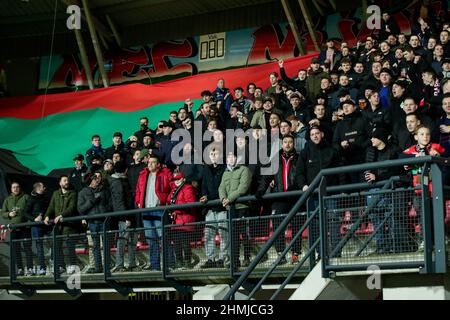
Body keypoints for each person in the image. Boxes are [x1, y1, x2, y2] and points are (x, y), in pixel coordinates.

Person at [296, 126, 343, 259]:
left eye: (317, 133)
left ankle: (336, 252)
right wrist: (304, 185)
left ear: (322, 134)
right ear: (309, 137)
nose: (315, 136)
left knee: (333, 222)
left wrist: (342, 190)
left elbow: (340, 172)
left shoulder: (331, 151)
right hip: (313, 196)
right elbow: (299, 172)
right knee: (315, 224)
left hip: (330, 194)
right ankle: (320, 253)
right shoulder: (305, 153)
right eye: (312, 134)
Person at [256, 135, 301, 264]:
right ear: (282, 144)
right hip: (279, 197)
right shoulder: (275, 159)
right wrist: (260, 191)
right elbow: (266, 178)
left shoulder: (298, 158)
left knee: (297, 226)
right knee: (277, 225)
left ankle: (295, 254)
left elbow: (300, 176)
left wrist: (295, 188)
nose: (287, 144)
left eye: (290, 142)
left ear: (294, 144)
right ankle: (281, 253)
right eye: (285, 142)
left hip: (294, 198)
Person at [135, 155, 172, 271]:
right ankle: (154, 264)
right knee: (151, 239)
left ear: (158, 164)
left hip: (159, 209)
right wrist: (138, 202)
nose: (150, 164)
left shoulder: (165, 174)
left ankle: (169, 263)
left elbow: (172, 188)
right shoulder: (142, 175)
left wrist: (166, 202)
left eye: (153, 162)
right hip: (146, 210)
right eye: (149, 162)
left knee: (163, 237)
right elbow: (138, 191)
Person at [219, 152, 252, 269]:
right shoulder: (225, 172)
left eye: (232, 156)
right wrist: (223, 198)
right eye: (228, 156)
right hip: (231, 209)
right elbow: (221, 187)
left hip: (242, 207)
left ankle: (247, 257)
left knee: (245, 234)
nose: (230, 158)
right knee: (233, 236)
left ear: (237, 158)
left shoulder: (244, 170)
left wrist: (229, 198)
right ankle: (235, 260)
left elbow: (243, 188)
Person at [44, 175, 79, 275]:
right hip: (58, 226)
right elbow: (51, 206)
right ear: (60, 183)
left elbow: (72, 207)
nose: (66, 182)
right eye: (64, 180)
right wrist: (47, 216)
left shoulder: (73, 193)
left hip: (69, 224)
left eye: (67, 180)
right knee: (57, 245)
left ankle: (73, 265)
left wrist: (61, 215)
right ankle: (61, 265)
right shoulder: (55, 193)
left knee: (70, 245)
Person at [77, 172, 111, 273]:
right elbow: (80, 209)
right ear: (90, 181)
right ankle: (98, 267)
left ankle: (107, 267)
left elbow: (110, 203)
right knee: (96, 246)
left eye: (97, 178)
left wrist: (106, 211)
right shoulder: (83, 192)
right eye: (94, 179)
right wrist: (92, 201)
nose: (97, 180)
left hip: (104, 221)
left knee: (106, 245)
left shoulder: (104, 190)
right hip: (93, 223)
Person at [200, 147, 227, 268]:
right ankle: (211, 259)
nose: (213, 155)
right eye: (211, 154)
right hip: (210, 207)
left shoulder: (225, 168)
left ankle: (223, 258)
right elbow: (204, 185)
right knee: (209, 235)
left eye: (215, 153)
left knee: (224, 234)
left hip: (222, 207)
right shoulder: (206, 169)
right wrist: (204, 195)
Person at [110, 161, 139, 272]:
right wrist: (127, 217)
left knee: (132, 239)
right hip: (124, 217)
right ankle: (119, 264)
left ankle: (131, 263)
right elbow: (120, 202)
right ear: (125, 170)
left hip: (129, 215)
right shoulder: (118, 182)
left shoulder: (122, 180)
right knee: (122, 240)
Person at [167, 171, 197, 269]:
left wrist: (177, 210)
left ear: (183, 179)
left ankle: (187, 262)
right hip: (176, 221)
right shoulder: (173, 190)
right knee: (176, 243)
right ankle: (179, 262)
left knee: (184, 242)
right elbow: (168, 202)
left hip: (185, 220)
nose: (176, 181)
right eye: (175, 179)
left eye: (178, 179)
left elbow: (191, 203)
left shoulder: (188, 188)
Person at [1, 182, 32, 276]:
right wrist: (9, 214)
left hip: (25, 226)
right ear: (11, 189)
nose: (15, 189)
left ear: (20, 188)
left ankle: (30, 268)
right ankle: (20, 269)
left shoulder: (26, 197)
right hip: (13, 228)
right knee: (16, 249)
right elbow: (3, 213)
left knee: (27, 248)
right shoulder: (7, 200)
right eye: (14, 187)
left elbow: (31, 208)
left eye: (17, 187)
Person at [23, 182, 50, 275]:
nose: (45, 187)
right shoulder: (31, 199)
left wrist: (47, 216)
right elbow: (25, 212)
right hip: (36, 227)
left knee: (54, 243)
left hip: (47, 225)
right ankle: (43, 268)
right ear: (38, 188)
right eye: (43, 186)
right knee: (39, 248)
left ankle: (56, 264)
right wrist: (34, 219)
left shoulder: (46, 197)